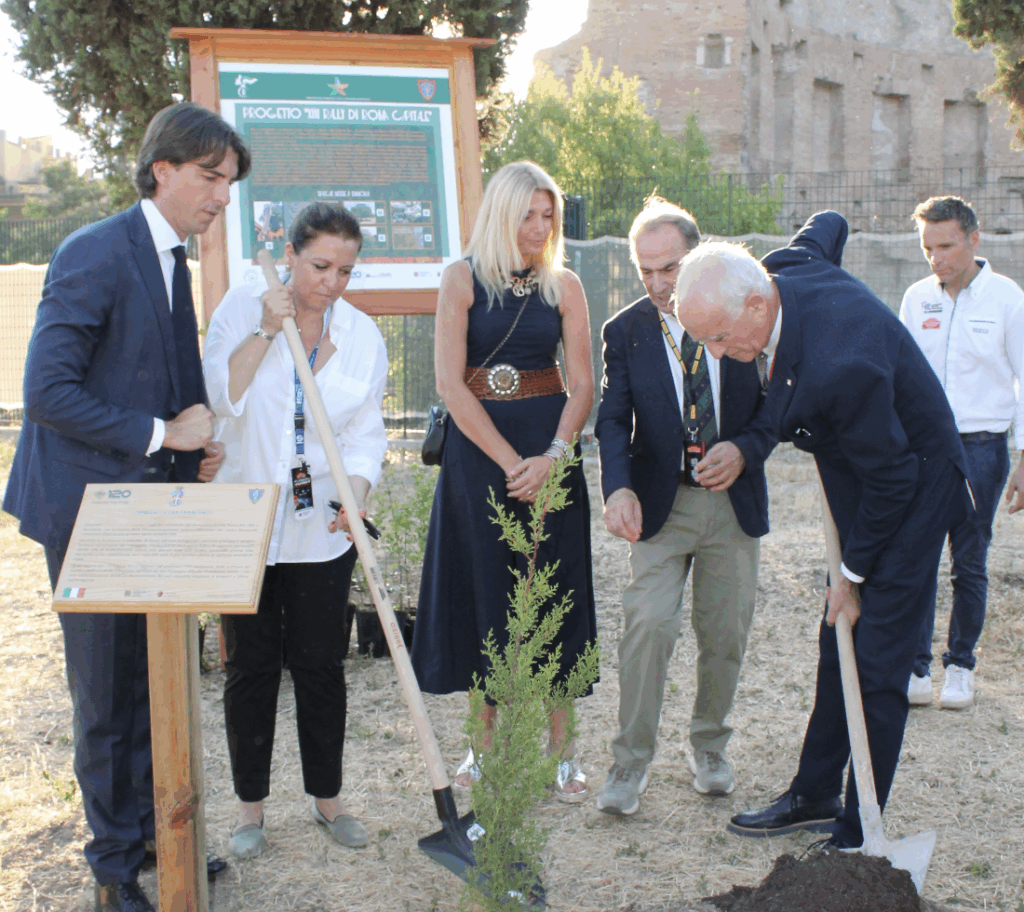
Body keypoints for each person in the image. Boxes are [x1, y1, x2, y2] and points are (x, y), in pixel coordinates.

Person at [1, 102, 248, 912]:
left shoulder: (174, 259)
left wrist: (192, 447)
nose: (221, 196)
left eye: (229, 182)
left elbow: (166, 379)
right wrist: (159, 431)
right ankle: (112, 870)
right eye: (211, 177)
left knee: (153, 682)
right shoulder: (94, 253)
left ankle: (153, 832)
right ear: (162, 169)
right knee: (107, 696)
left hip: (148, 506)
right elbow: (45, 393)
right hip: (85, 510)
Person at [672, 212, 970, 850]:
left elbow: (892, 481)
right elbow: (827, 226)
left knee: (878, 657)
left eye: (722, 337)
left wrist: (853, 576)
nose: (719, 355)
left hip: (912, 485)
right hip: (863, 465)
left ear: (757, 305)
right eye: (706, 344)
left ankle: (862, 828)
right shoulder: (788, 265)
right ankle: (814, 792)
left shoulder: (843, 366)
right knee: (837, 637)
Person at [202, 202, 388, 858]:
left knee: (319, 662)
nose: (331, 281)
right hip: (246, 516)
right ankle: (250, 808)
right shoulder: (243, 305)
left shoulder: (362, 335)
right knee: (250, 665)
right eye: (319, 265)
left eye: (345, 269)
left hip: (321, 525)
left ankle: (327, 798)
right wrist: (263, 330)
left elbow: (366, 430)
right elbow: (221, 399)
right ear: (290, 254)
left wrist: (357, 497)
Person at [410, 161, 597, 802]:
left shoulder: (564, 285)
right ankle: (482, 748)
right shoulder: (460, 279)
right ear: (501, 213)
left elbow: (583, 386)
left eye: (549, 215)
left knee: (558, 591)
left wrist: (550, 456)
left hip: (550, 455)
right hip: (478, 456)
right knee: (484, 592)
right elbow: (448, 385)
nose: (539, 227)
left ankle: (564, 750)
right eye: (528, 214)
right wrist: (506, 459)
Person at [593, 199, 772, 816]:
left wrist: (746, 450)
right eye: (646, 271)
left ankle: (710, 747)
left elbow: (778, 408)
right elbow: (612, 419)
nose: (659, 284)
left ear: (697, 257)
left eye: (669, 267)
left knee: (725, 632)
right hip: (659, 507)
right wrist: (617, 486)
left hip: (731, 505)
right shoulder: (626, 331)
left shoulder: (744, 308)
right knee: (648, 626)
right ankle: (628, 763)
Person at [899, 196, 1024, 711]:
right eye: (928, 248)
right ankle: (916, 667)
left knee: (968, 560)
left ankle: (960, 666)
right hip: (925, 447)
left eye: (946, 245)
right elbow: (901, 375)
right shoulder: (916, 298)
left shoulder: (1007, 300)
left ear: (974, 239)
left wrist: (1023, 455)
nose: (937, 258)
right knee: (919, 557)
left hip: (981, 447)